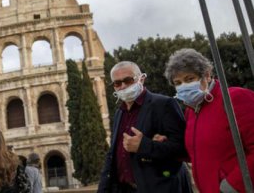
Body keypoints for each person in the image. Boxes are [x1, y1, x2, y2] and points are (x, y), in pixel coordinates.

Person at [164, 48, 254, 193]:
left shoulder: (234, 98)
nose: (184, 86)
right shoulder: (191, 111)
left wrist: (233, 185)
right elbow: (198, 152)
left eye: (189, 79)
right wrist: (165, 143)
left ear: (207, 75)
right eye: (178, 82)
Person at [98, 61, 192, 193]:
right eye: (117, 83)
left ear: (141, 79)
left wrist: (144, 145)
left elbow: (184, 149)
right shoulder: (120, 113)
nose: (123, 86)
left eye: (128, 80)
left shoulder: (163, 105)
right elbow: (113, 155)